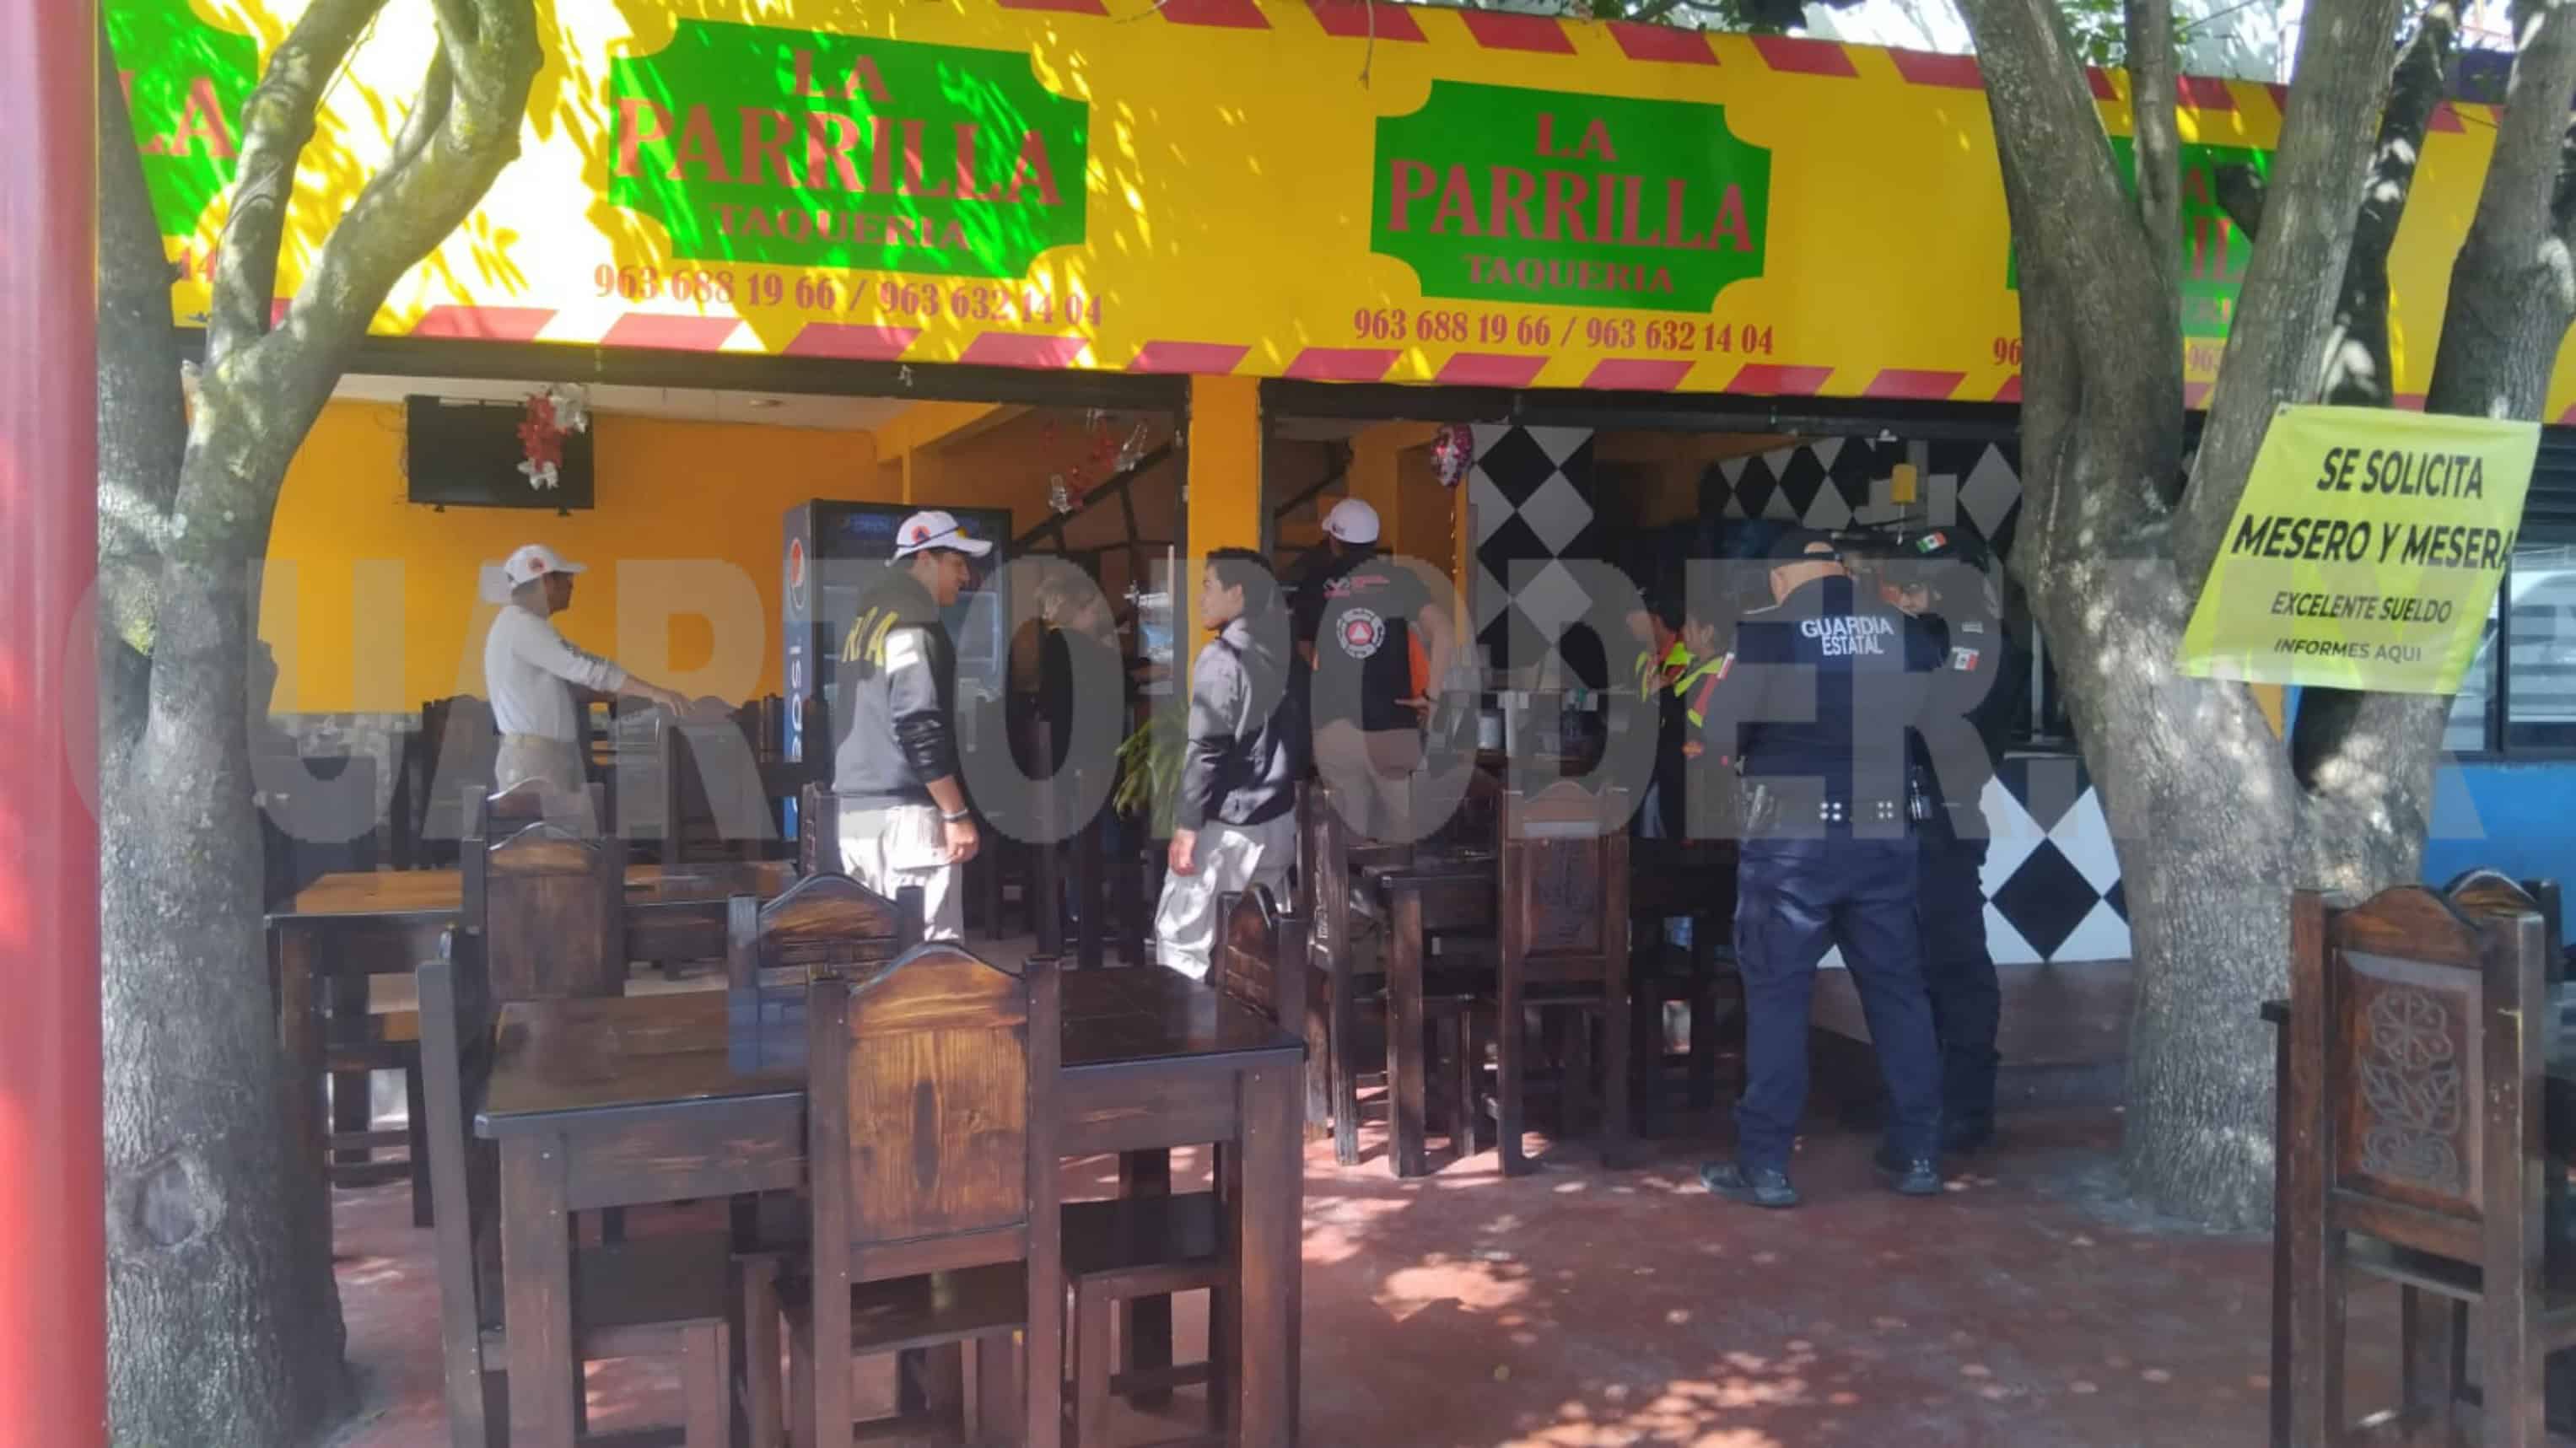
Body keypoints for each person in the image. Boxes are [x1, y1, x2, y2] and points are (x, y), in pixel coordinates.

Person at [1692, 530, 1949, 1209]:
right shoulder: (1901, 628)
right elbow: (1937, 716)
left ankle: (1765, 1164)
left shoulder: (1767, 631)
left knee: (1778, 997)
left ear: (1782, 578)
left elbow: (1720, 731)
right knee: (1898, 993)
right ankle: (1919, 1152)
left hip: (1792, 843)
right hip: (1884, 835)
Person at [1883, 526, 2024, 1155]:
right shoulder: (1940, 639)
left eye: (1927, 580)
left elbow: (1933, 726)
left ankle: (1964, 1106)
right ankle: (1932, 1097)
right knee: (1917, 964)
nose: (1915, 591)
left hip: (1941, 817)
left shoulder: (1976, 644)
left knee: (1954, 963)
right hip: (1918, 818)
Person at [833, 509, 992, 941]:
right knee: (931, 960)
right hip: (905, 818)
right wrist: (956, 813)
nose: (966, 577)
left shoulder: (866, 621)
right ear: (924, 559)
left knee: (874, 954)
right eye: (957, 563)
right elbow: (917, 722)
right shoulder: (913, 622)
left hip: (856, 812)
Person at [1153, 549, 1301, 978]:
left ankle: (1185, 1024)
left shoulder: (1223, 658)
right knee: (1260, 951)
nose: (1200, 597)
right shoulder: (1289, 658)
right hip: (1278, 826)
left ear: (1237, 593)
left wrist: (1187, 827)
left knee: (1182, 942)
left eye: (1208, 585)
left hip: (1227, 831)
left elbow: (1207, 748)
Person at [1294, 498, 1450, 842]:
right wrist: (1432, 697)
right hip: (1393, 728)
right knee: (1402, 840)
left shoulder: (1315, 583)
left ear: (1334, 539)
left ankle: (1353, 877)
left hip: (1335, 728)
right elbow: (1443, 631)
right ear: (1375, 540)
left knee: (1347, 843)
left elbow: (1305, 648)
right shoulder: (1400, 579)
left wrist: (1327, 672)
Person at [480, 543, 690, 794]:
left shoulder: (524, 625)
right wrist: (654, 693)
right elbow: (587, 670)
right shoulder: (523, 626)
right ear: (546, 581)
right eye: (566, 579)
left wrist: (621, 693)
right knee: (547, 822)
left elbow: (576, 681)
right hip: (536, 760)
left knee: (563, 820)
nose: (572, 586)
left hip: (543, 756)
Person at [1623, 577, 1699, 840]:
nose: (1627, 622)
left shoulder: (1688, 659)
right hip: (1641, 766)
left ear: (1655, 619)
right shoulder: (1642, 660)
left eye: (1633, 615)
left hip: (1673, 772)